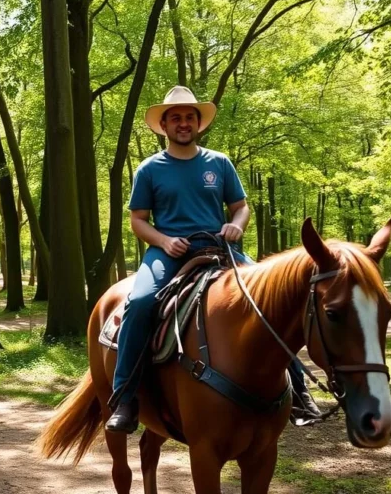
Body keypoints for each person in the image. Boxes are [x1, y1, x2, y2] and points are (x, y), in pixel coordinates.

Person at [105, 85, 321, 433]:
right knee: (141, 302)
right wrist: (164, 240)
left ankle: (299, 392)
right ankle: (125, 398)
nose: (183, 123)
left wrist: (236, 226)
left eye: (189, 116)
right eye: (176, 117)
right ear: (164, 125)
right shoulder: (149, 169)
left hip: (222, 250)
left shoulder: (219, 162)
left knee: (271, 302)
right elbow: (138, 220)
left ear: (199, 123)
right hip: (169, 253)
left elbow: (240, 207)